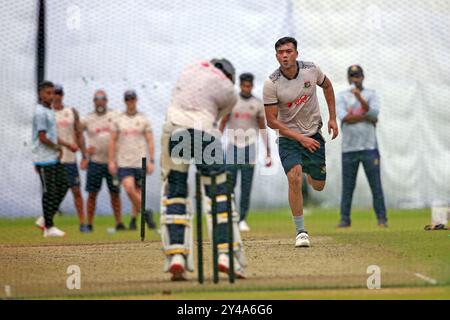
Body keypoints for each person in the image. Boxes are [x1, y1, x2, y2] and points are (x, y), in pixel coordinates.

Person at [160, 59, 247, 281]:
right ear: (229, 76)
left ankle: (177, 256)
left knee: (176, 193)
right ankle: (225, 257)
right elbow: (217, 120)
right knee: (219, 194)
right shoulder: (230, 91)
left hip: (175, 130)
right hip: (204, 134)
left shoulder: (190, 68)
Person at [263, 37, 339, 248]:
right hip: (289, 138)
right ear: (276, 56)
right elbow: (271, 121)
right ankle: (301, 231)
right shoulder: (271, 83)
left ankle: (308, 170)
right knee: (294, 177)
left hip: (313, 134)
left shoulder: (312, 69)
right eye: (280, 52)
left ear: (296, 53)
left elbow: (328, 87)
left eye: (288, 51)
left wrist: (332, 118)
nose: (285, 55)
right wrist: (300, 139)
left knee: (318, 186)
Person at [219, 73, 272, 232]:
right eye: (244, 85)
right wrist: (214, 143)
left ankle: (242, 219)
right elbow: (223, 123)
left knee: (246, 186)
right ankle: (232, 215)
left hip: (249, 148)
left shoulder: (257, 104)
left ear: (252, 85)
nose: (246, 88)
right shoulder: (232, 102)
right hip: (232, 147)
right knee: (229, 184)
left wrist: (268, 152)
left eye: (249, 85)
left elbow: (262, 128)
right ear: (240, 85)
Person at [336, 65, 388, 228]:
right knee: (347, 187)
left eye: (357, 76)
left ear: (363, 77)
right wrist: (366, 117)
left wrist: (360, 99)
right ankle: (345, 219)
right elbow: (344, 118)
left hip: (369, 147)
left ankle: (382, 219)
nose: (354, 79)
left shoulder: (370, 94)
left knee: (376, 186)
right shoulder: (342, 96)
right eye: (352, 76)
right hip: (349, 149)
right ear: (348, 78)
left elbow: (374, 114)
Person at [108, 90, 156, 230]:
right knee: (129, 188)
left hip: (139, 161)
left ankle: (134, 220)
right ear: (125, 101)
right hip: (124, 161)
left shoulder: (143, 119)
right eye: (128, 99)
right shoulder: (118, 119)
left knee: (137, 191)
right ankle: (146, 212)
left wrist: (151, 160)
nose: (130, 101)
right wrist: (111, 161)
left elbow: (150, 140)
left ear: (136, 100)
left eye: (132, 99)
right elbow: (112, 141)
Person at [80, 90, 125, 231]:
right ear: (94, 101)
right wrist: (84, 152)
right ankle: (89, 224)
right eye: (97, 99)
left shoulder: (115, 115)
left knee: (115, 193)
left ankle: (119, 223)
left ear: (107, 101)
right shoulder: (87, 118)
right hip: (95, 162)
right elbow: (77, 132)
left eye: (102, 99)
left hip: (112, 162)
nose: (100, 101)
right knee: (92, 194)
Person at [33, 81, 69, 237]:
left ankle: (45, 219)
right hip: (43, 158)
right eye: (47, 93)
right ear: (40, 94)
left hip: (52, 157)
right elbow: (42, 137)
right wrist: (58, 148)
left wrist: (63, 146)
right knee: (49, 192)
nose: (51, 96)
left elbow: (52, 136)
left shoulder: (50, 110)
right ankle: (49, 227)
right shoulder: (40, 112)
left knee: (64, 184)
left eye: (53, 93)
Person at [53, 85, 89, 233]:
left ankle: (82, 223)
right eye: (55, 93)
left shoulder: (71, 112)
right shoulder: (48, 113)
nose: (57, 96)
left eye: (60, 93)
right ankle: (48, 224)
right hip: (53, 159)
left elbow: (79, 135)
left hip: (70, 159)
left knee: (76, 190)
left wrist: (84, 155)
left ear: (63, 94)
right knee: (53, 192)